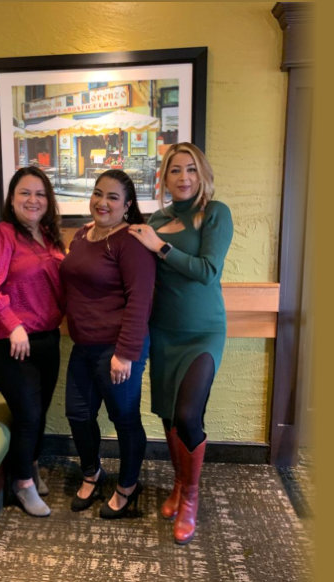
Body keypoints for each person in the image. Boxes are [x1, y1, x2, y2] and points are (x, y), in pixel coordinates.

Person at [127, 142, 233, 544]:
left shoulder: (215, 213)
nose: (183, 177)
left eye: (191, 169)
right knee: (169, 417)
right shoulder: (157, 217)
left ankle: (191, 496)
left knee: (189, 415)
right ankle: (177, 483)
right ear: (165, 177)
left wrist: (161, 247)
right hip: (164, 331)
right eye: (175, 170)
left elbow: (208, 271)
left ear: (201, 173)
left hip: (203, 331)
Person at [59, 169, 154, 518]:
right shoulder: (83, 235)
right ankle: (91, 473)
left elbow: (140, 299)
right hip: (83, 347)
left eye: (113, 197)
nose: (102, 202)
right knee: (78, 414)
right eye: (98, 193)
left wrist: (126, 354)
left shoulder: (130, 241)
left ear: (127, 205)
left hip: (118, 351)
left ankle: (127, 485)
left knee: (124, 419)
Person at [0, 166, 65, 517]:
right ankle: (21, 483)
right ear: (11, 199)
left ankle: (32, 464)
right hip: (7, 341)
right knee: (27, 412)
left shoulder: (51, 238)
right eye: (25, 192)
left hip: (47, 339)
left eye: (40, 194)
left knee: (40, 411)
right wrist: (13, 325)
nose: (33, 199)